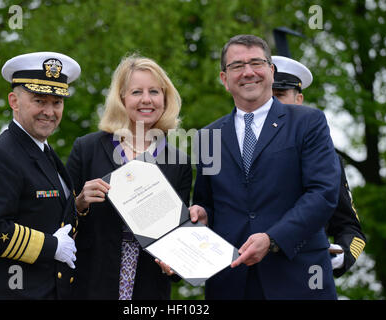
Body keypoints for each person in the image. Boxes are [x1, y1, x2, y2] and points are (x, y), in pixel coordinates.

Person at [190, 34, 341, 299]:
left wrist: (272, 239)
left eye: (256, 63)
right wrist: (204, 216)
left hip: (299, 281)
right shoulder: (207, 137)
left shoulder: (308, 122)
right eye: (237, 66)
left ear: (271, 71)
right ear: (225, 79)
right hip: (230, 284)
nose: (248, 72)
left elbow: (323, 193)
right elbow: (210, 205)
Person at [66, 54, 192, 299]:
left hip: (149, 285)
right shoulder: (87, 148)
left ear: (165, 99)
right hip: (92, 281)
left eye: (154, 91)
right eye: (136, 92)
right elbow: (56, 219)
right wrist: (80, 202)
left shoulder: (179, 162)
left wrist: (175, 265)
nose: (146, 99)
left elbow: (178, 235)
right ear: (121, 98)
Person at [0, 52, 80, 299]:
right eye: (40, 101)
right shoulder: (2, 156)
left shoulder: (43, 151)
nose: (49, 112)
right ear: (14, 101)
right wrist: (52, 247)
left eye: (57, 102)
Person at [271, 55, 366, 277]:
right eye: (268, 97)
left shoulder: (326, 157)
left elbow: (351, 230)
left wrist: (341, 256)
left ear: (298, 99)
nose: (274, 103)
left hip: (304, 278)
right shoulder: (235, 148)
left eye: (280, 95)